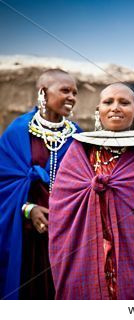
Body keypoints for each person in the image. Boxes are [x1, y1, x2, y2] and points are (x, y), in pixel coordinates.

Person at [48, 83, 134, 299]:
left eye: (124, 102)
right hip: (86, 253)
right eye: (108, 102)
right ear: (98, 110)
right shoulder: (80, 151)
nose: (115, 107)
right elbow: (61, 207)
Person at [0, 69, 80, 299]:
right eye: (65, 90)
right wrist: (28, 209)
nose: (72, 97)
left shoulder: (78, 136)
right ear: (43, 93)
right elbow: (4, 184)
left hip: (67, 233)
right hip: (26, 235)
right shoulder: (18, 132)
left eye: (75, 92)